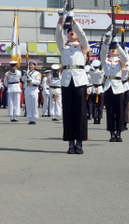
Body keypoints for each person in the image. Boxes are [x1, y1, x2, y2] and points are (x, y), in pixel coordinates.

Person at [56, 9, 90, 154]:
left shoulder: (82, 46)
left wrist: (72, 19)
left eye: (73, 31)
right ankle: (70, 143)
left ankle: (80, 142)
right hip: (66, 80)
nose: (71, 32)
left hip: (79, 80)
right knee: (68, 112)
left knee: (80, 112)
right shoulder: (63, 46)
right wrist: (62, 18)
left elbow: (82, 35)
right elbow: (58, 33)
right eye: (69, 31)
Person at [100, 32, 129, 143]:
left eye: (114, 49)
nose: (112, 50)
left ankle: (119, 133)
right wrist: (107, 41)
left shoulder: (120, 60)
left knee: (120, 111)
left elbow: (125, 57)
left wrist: (117, 45)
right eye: (111, 49)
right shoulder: (106, 60)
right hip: (108, 86)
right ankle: (112, 133)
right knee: (110, 112)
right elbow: (103, 52)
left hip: (118, 87)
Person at [22, 60, 41, 125]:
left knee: (34, 104)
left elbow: (38, 82)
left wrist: (31, 80)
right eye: (29, 65)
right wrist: (25, 75)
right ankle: (30, 118)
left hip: (34, 89)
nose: (30, 66)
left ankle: (34, 118)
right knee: (28, 104)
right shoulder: (27, 72)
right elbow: (22, 80)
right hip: (27, 89)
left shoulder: (37, 73)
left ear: (35, 66)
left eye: (32, 65)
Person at [87, 60, 105, 124]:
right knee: (100, 105)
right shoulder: (101, 72)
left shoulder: (91, 72)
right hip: (100, 89)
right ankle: (99, 119)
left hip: (93, 89)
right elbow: (103, 68)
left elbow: (90, 68)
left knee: (94, 105)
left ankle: (94, 119)